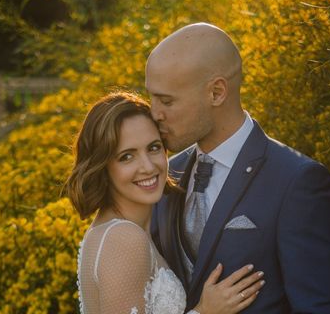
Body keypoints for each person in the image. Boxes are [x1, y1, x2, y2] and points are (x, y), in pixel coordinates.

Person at [147, 23, 330, 313]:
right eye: (151, 96)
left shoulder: (297, 181)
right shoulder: (165, 173)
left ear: (217, 93)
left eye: (167, 101)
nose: (154, 113)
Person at [63, 92, 265, 314]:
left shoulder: (115, 230)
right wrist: (205, 311)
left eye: (153, 148)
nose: (148, 167)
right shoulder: (124, 239)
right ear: (102, 166)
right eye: (126, 157)